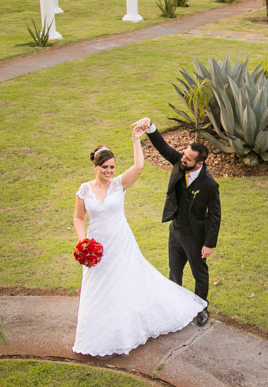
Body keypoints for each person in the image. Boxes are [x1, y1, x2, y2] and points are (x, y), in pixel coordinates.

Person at [72, 125, 207, 357]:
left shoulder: (118, 184)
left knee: (124, 283)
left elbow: (139, 166)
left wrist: (136, 140)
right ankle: (99, 333)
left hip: (121, 242)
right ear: (95, 167)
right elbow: (78, 217)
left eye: (112, 167)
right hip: (96, 245)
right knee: (99, 287)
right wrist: (83, 242)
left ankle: (127, 328)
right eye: (104, 167)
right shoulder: (84, 190)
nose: (109, 171)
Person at [133, 117, 220, 327]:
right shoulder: (179, 163)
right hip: (176, 230)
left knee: (199, 274)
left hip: (195, 236)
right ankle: (174, 307)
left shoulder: (209, 185)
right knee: (174, 271)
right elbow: (163, 147)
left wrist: (209, 244)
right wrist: (150, 128)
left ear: (199, 163)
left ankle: (202, 307)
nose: (183, 159)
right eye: (184, 155)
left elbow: (215, 215)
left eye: (188, 159)